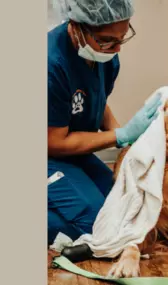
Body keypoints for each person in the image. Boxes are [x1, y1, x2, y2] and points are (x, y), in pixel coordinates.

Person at [48, 0, 161, 245]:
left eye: (122, 37)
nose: (117, 48)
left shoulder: (105, 56)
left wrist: (129, 143)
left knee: (125, 207)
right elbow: (53, 142)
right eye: (107, 40)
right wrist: (121, 134)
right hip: (48, 153)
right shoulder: (50, 64)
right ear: (76, 26)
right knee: (97, 223)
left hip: (75, 153)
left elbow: (95, 101)